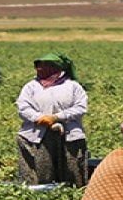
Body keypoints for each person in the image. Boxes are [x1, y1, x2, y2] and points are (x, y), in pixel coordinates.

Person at [16, 52, 89, 187]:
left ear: (57, 68)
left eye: (47, 66)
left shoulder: (73, 87)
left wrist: (56, 117)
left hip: (69, 135)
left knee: (72, 173)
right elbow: (23, 107)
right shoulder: (31, 87)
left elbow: (80, 108)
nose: (41, 69)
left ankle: (71, 197)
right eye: (39, 66)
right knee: (41, 173)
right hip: (36, 136)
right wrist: (40, 118)